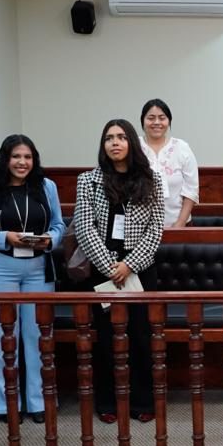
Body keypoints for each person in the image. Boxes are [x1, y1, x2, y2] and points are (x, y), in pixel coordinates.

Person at [0, 135, 65, 423]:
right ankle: (6, 403)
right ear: (5, 159)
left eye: (28, 157)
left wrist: (50, 239)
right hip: (0, 270)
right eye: (16, 157)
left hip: (39, 270)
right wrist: (4, 237)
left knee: (39, 338)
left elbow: (59, 225)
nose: (22, 162)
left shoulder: (47, 187)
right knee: (4, 339)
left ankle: (39, 402)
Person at [74, 119, 165, 423]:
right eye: (109, 138)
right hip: (104, 271)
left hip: (140, 269)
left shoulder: (152, 180)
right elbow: (84, 228)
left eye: (121, 137)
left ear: (131, 143)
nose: (115, 142)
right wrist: (110, 267)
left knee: (140, 336)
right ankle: (107, 402)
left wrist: (129, 265)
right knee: (106, 338)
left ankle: (142, 401)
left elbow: (155, 230)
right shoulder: (88, 181)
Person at [139, 98, 199, 227]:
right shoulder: (134, 147)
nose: (156, 122)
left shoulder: (182, 147)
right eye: (151, 118)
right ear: (143, 121)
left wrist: (180, 224)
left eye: (162, 118)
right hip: (139, 228)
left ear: (169, 121)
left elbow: (191, 190)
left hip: (178, 225)